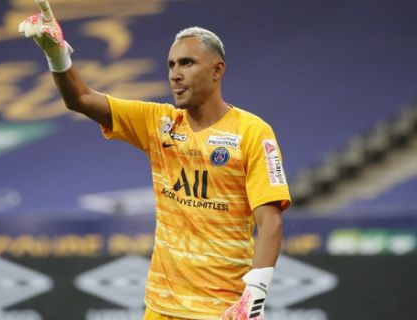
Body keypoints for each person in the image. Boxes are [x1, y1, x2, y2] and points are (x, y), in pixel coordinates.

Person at [19, 3, 291, 319]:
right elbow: (79, 99)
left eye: (187, 63)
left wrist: (255, 294)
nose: (175, 74)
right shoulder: (158, 122)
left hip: (221, 310)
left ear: (218, 70)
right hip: (160, 308)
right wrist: (56, 53)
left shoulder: (253, 132)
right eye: (171, 65)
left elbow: (270, 221)